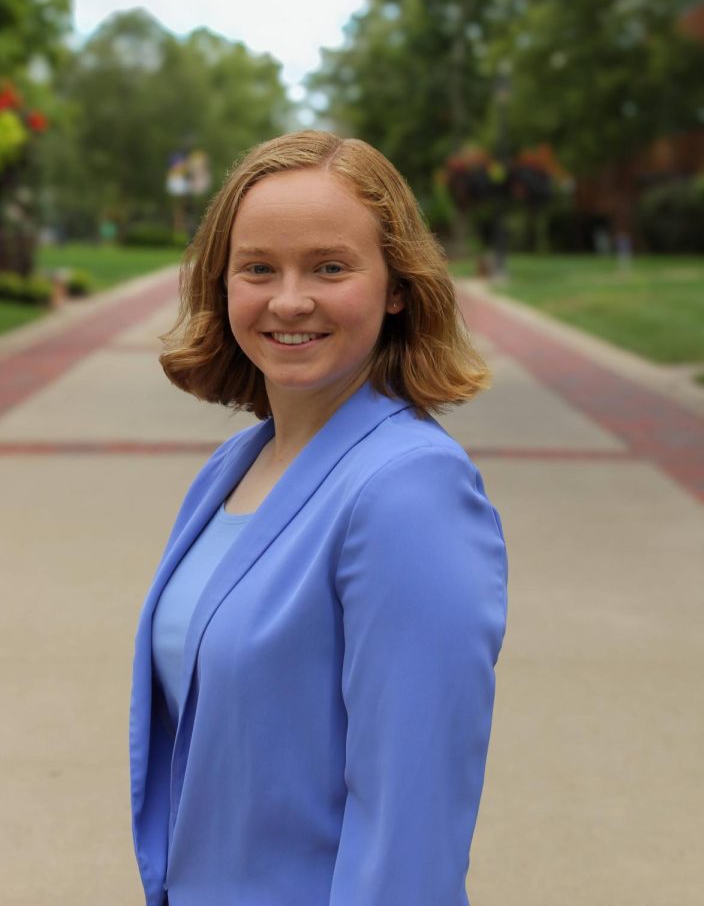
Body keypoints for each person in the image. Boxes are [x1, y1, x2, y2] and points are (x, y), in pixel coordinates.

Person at [129, 130, 508, 906]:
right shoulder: (231, 468)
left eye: (330, 267)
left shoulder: (410, 491)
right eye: (258, 268)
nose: (289, 299)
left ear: (396, 286)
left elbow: (413, 820)